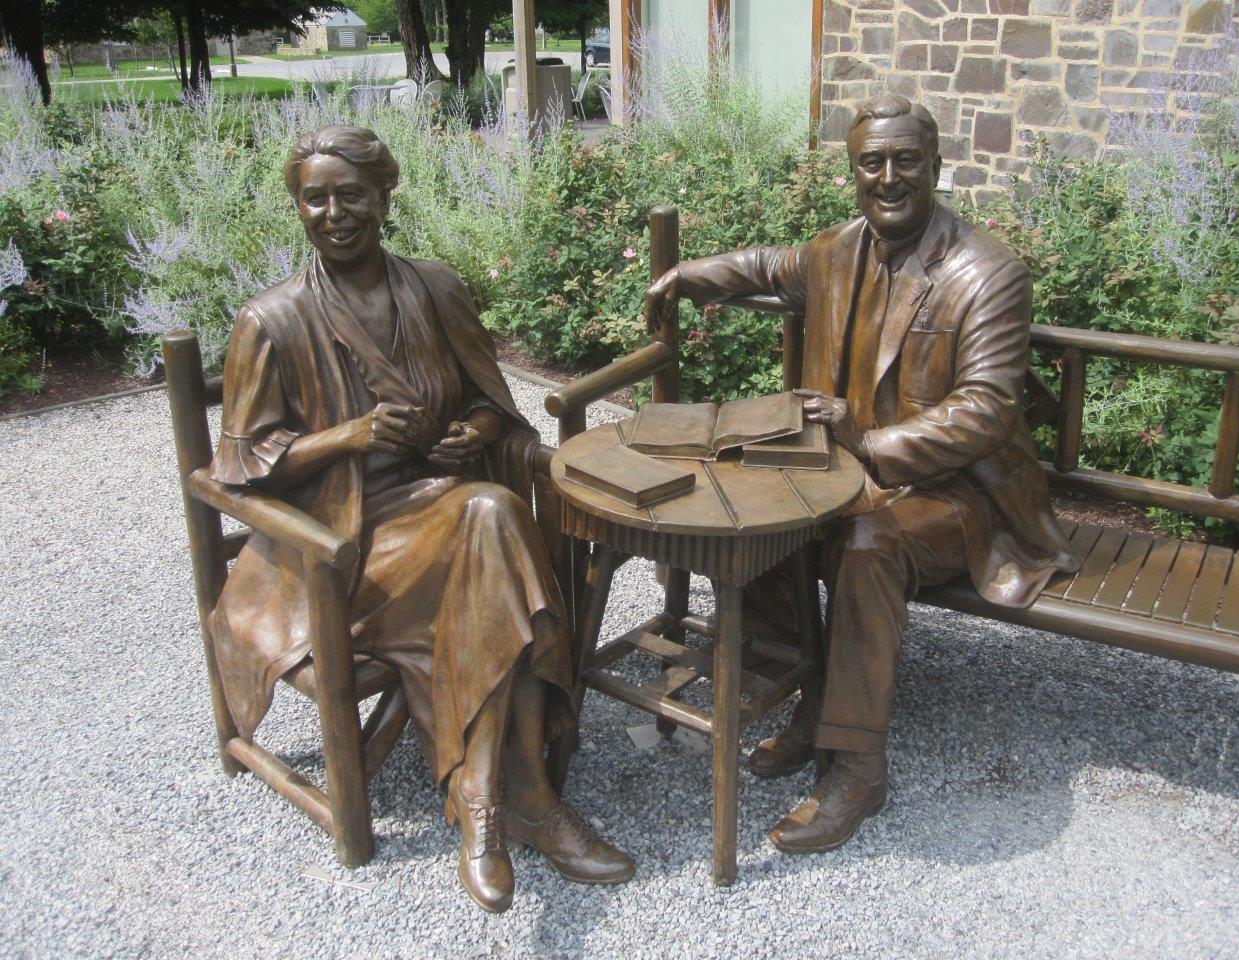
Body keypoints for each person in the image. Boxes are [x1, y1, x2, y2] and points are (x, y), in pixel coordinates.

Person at [210, 125, 633, 912]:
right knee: (496, 522)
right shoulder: (271, 321)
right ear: (297, 206)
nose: (333, 213)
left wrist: (476, 430)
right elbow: (238, 464)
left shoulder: (435, 289)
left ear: (383, 198)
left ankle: (486, 804)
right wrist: (351, 435)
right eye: (315, 198)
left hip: (449, 516)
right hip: (341, 546)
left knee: (490, 520)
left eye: (351, 195)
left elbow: (488, 400)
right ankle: (526, 800)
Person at [645, 94, 1079, 854]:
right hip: (847, 472)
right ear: (853, 172)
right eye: (871, 162)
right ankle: (812, 697)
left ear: (936, 165)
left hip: (958, 493)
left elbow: (984, 411)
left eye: (906, 160)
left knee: (867, 543)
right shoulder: (837, 250)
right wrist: (687, 274)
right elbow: (768, 265)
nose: (888, 177)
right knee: (756, 514)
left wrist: (868, 443)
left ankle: (857, 766)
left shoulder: (987, 272)